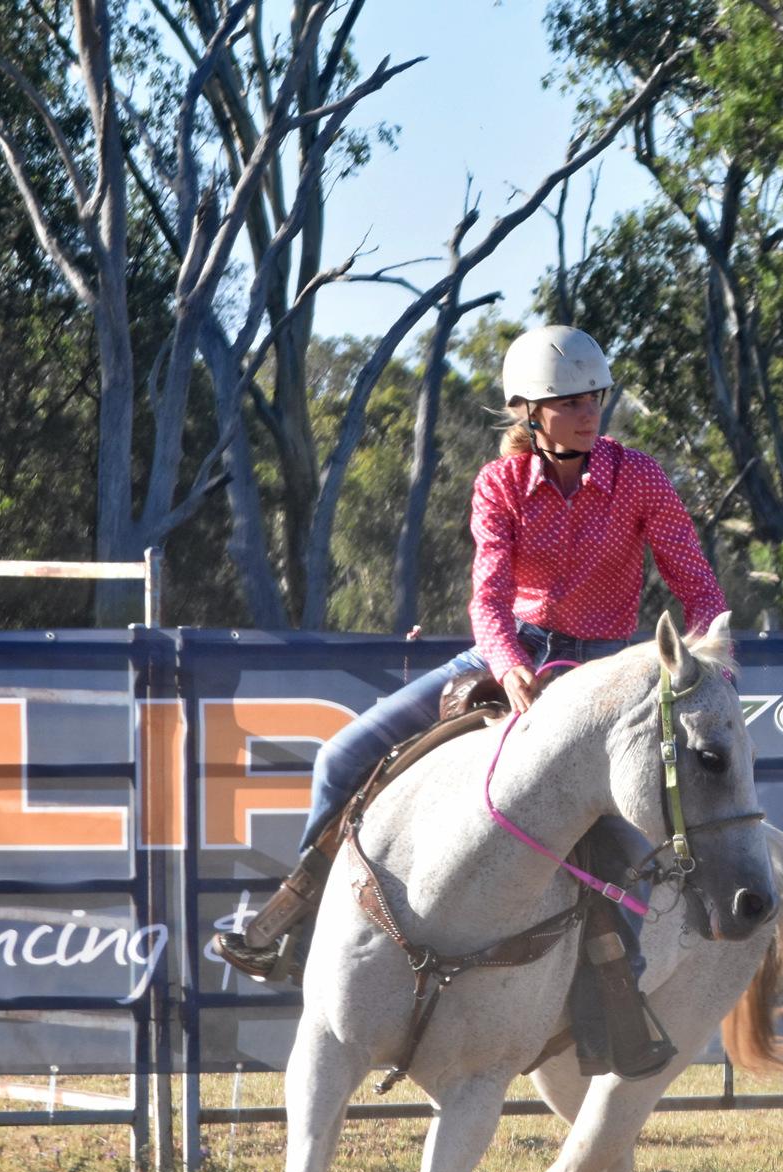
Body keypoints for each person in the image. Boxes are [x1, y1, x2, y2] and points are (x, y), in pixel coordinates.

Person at [213, 324, 728, 982]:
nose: (588, 413)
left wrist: (710, 651)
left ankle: (617, 988)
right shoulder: (500, 484)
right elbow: (487, 597)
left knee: (635, 841)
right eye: (569, 402)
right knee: (340, 756)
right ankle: (296, 929)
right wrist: (510, 662)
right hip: (512, 650)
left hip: (602, 671)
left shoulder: (640, 479)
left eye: (594, 397)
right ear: (529, 412)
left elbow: (697, 582)